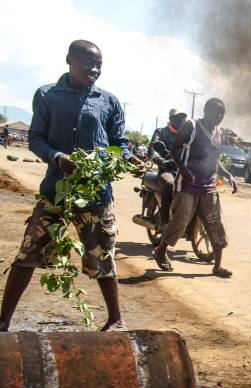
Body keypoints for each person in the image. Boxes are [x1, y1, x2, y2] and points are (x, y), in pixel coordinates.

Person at [0, 39, 142, 333]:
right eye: (88, 63)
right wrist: (57, 157)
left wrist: (129, 157)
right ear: (69, 60)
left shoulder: (109, 101)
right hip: (56, 193)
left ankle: (115, 320)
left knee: (102, 256)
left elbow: (119, 142)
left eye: (99, 65)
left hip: (96, 193)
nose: (94, 69)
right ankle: (3, 321)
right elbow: (37, 138)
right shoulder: (47, 95)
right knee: (28, 253)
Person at [153, 98, 236, 277]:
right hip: (187, 186)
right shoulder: (191, 126)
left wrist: (227, 174)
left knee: (216, 223)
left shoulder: (218, 132)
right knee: (180, 221)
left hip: (208, 186)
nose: (220, 117)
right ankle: (161, 251)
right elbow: (174, 149)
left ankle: (217, 266)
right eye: (217, 113)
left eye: (222, 114)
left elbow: (215, 158)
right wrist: (184, 170)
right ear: (206, 111)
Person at [149, 108, 187, 225]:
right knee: (170, 184)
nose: (182, 121)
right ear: (171, 119)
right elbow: (153, 148)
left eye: (183, 118)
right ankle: (165, 221)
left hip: (183, 170)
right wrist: (159, 159)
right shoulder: (161, 132)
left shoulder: (187, 135)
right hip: (168, 169)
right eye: (179, 118)